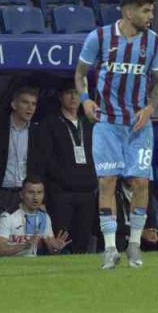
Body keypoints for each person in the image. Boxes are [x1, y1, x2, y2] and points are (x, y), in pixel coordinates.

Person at [76, 0, 158, 268]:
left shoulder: (154, 43)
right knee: (107, 182)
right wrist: (84, 101)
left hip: (138, 126)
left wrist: (150, 108)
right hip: (106, 124)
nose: (150, 16)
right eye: (145, 11)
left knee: (141, 182)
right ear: (129, 12)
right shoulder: (100, 37)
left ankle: (134, 245)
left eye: (151, 11)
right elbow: (80, 75)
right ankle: (109, 247)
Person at [36, 83, 97, 255]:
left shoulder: (89, 122)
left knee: (82, 243)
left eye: (77, 93)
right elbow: (44, 158)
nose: (73, 97)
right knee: (60, 243)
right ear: (60, 96)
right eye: (69, 93)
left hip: (87, 192)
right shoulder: (50, 123)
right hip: (61, 193)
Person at [0, 86, 41, 235]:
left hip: (25, 195)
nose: (30, 108)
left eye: (33, 104)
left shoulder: (38, 132)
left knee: (27, 239)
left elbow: (41, 165)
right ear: (14, 105)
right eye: (25, 102)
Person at [0, 176, 70, 257]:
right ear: (21, 195)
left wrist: (56, 248)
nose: (35, 197)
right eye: (31, 192)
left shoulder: (44, 217)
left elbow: (52, 250)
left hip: (33, 266)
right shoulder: (7, 217)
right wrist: (24, 246)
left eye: (39, 192)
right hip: (11, 264)